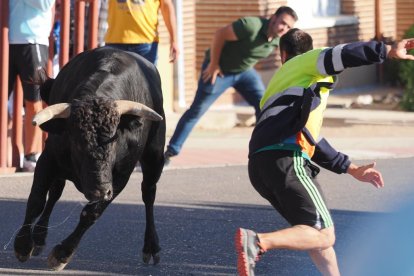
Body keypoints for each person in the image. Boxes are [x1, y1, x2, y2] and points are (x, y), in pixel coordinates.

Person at [234, 28, 414, 276]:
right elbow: (340, 53)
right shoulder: (305, 63)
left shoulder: (278, 87)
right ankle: (258, 242)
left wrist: (350, 168)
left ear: (281, 53)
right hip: (287, 158)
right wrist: (386, 50)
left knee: (313, 233)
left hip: (260, 165)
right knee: (323, 234)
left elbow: (311, 138)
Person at [164, 6, 298, 165]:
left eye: (289, 26)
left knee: (264, 105)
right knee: (196, 110)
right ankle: (170, 152)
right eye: (282, 23)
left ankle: (264, 149)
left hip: (244, 72)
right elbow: (219, 35)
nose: (284, 28)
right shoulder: (250, 25)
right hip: (218, 71)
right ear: (273, 18)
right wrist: (213, 64)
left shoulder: (278, 39)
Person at [8, 0, 56, 171]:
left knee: (34, 100)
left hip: (33, 39)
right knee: (3, 100)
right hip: (6, 38)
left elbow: (45, 4)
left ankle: (31, 154)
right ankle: (5, 151)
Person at [104, 0, 179, 64]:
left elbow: (166, 7)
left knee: (146, 80)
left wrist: (174, 40)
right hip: (115, 41)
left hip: (145, 43)